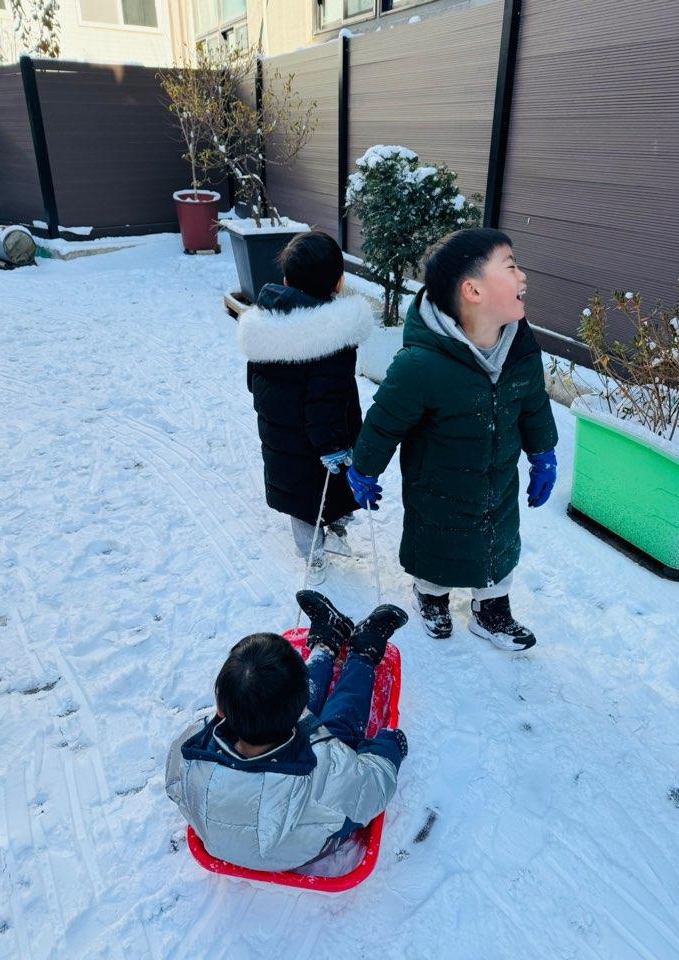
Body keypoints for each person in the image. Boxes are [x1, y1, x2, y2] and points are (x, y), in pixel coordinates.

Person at [347, 228, 558, 649]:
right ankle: (431, 597)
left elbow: (533, 403)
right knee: (436, 549)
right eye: (510, 268)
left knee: (498, 546)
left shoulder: (521, 347)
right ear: (473, 291)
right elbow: (385, 422)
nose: (523, 277)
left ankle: (491, 610)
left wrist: (543, 453)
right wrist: (364, 469)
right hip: (437, 488)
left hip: (498, 482)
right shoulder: (421, 365)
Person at [165, 592, 408, 873]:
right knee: (339, 728)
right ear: (302, 709)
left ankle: (327, 643)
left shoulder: (191, 750)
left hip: (225, 846)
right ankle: (362, 654)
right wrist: (388, 748)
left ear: (220, 708)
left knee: (271, 699)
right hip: (300, 852)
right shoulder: (327, 765)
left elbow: (176, 788)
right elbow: (372, 790)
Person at [238, 231, 373, 584]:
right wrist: (333, 445)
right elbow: (327, 400)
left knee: (300, 499)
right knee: (332, 486)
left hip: (283, 439)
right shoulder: (333, 337)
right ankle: (326, 544)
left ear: (286, 280)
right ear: (339, 282)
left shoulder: (265, 326)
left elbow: (254, 382)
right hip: (328, 438)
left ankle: (315, 552)